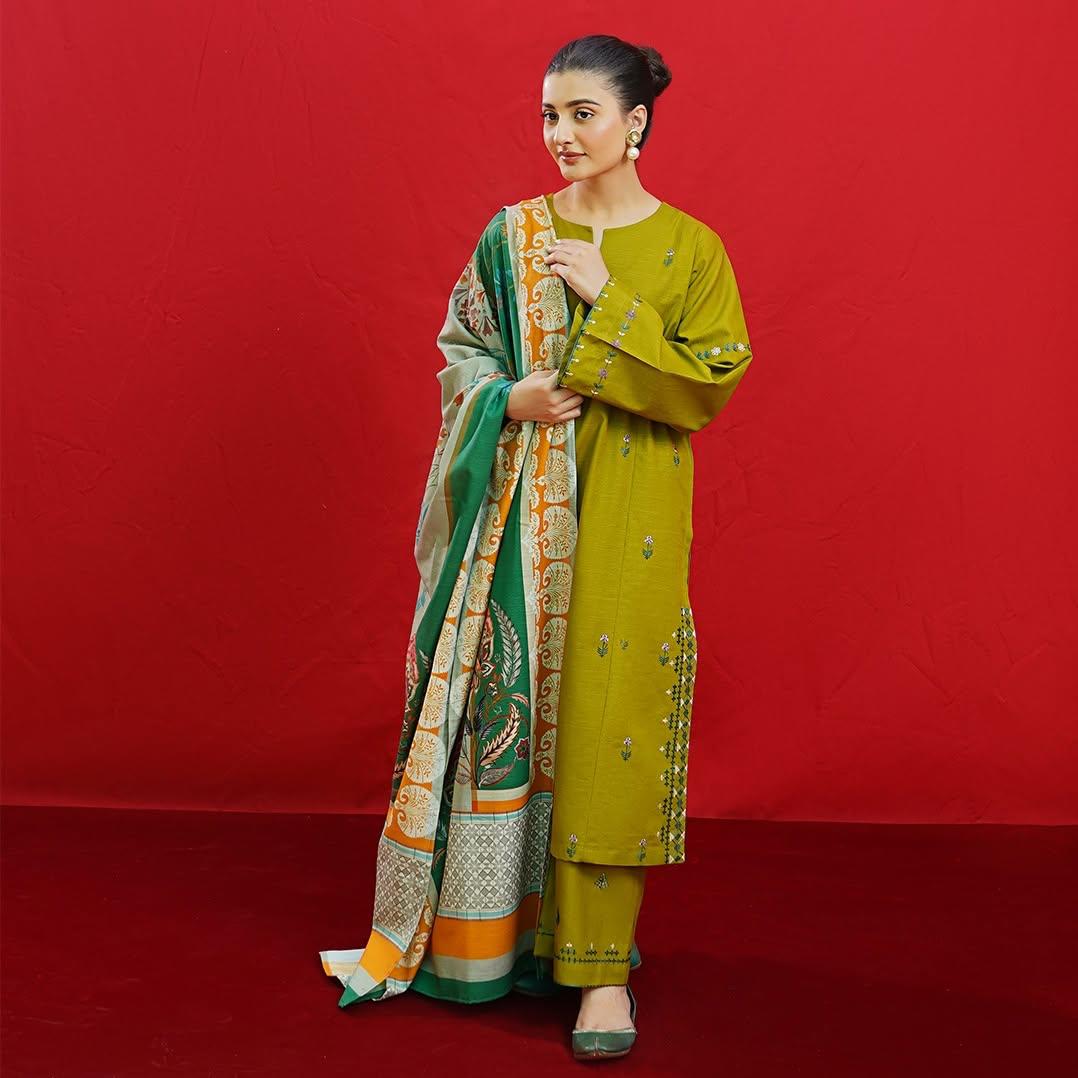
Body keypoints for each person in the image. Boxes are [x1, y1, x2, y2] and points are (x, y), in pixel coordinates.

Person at [319, 34, 754, 1062]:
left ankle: (600, 975)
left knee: (606, 731)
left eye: (582, 114)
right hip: (515, 530)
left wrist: (610, 300)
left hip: (630, 521)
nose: (561, 133)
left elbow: (710, 382)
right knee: (504, 715)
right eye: (550, 114)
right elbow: (461, 352)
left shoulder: (691, 250)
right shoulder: (510, 235)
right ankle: (490, 938)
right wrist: (505, 398)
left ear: (635, 122)